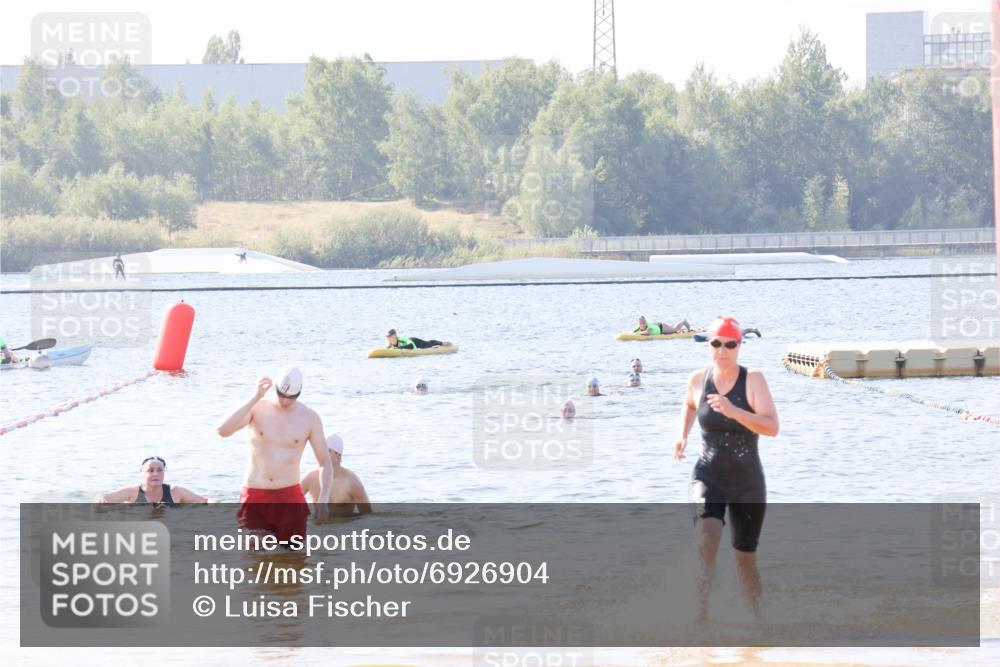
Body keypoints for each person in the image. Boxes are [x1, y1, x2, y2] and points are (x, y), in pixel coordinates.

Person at [672, 316, 779, 622]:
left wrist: (734, 411)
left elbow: (772, 427)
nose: (722, 350)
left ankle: (757, 627)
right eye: (716, 343)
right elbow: (690, 404)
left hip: (747, 482)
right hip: (708, 475)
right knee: (706, 542)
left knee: (745, 561)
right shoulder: (698, 379)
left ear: (740, 345)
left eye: (730, 344)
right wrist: (682, 435)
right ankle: (700, 619)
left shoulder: (753, 379)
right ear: (709, 344)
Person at [217, 366, 332, 541]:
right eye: (281, 394)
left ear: (299, 393)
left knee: (294, 555)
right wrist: (255, 397)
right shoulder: (257, 408)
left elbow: (325, 462)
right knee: (255, 556)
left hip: (290, 497)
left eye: (291, 397)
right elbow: (223, 430)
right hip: (255, 495)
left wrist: (323, 499)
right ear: (275, 388)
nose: (285, 401)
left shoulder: (309, 418)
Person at [300, 434, 372, 517]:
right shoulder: (310, 478)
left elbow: (368, 516)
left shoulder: (352, 482)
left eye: (328, 451)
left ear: (338, 455)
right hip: (319, 525)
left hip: (344, 525)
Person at [97, 456, 208, 505]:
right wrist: (100, 501)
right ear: (143, 473)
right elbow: (104, 498)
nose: (156, 474)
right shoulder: (132, 492)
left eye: (159, 470)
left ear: (164, 472)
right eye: (150, 470)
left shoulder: (176, 491)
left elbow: (205, 501)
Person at [386, 329, 452, 350]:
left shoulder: (402, 339)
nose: (388, 338)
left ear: (395, 336)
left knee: (428, 344)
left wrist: (398, 348)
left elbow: (411, 346)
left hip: (415, 342)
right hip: (409, 345)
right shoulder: (389, 344)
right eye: (387, 337)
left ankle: (442, 343)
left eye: (390, 336)